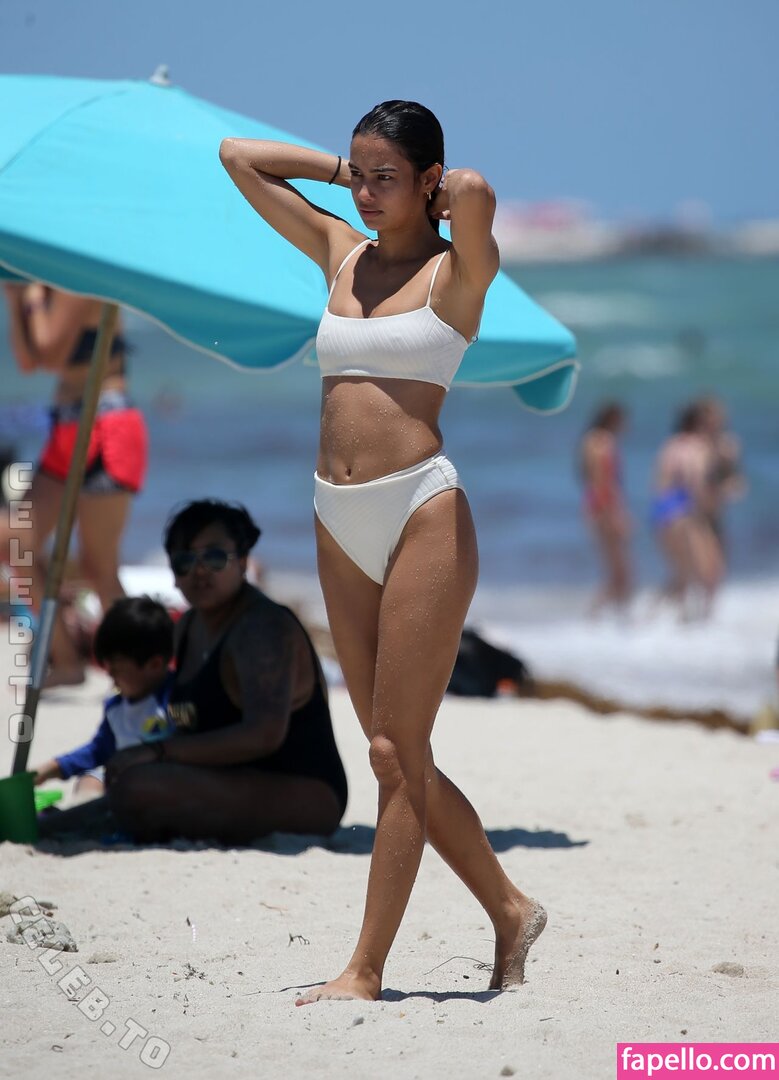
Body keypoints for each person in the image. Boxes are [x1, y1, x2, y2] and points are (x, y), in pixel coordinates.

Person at [220, 99, 546, 1004]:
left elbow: (476, 190)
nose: (365, 193)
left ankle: (364, 969)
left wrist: (437, 191)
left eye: (384, 177)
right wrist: (346, 172)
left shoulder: (458, 272)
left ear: (428, 179)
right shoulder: (340, 251)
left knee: (399, 750)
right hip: (335, 515)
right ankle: (510, 908)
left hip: (420, 513)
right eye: (358, 175)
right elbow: (238, 157)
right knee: (389, 752)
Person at [105, 499, 348, 844]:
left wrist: (160, 752)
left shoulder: (262, 628)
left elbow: (263, 735)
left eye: (215, 557)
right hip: (226, 780)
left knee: (138, 786)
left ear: (244, 562)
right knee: (124, 779)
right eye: (184, 561)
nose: (200, 571)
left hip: (304, 791)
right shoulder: (188, 627)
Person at [1, 283, 148, 686]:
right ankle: (66, 659)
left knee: (99, 566)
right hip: (68, 424)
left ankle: (138, 671)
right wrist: (15, 301)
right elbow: (28, 361)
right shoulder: (46, 287)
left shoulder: (77, 276)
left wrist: (30, 297)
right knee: (15, 541)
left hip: (107, 423)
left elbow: (49, 352)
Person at [33, 596, 175, 800]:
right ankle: (87, 811)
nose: (111, 677)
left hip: (165, 784)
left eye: (117, 670)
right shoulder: (117, 706)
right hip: (124, 784)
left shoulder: (174, 698)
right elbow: (99, 750)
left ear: (154, 665)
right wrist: (51, 769)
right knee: (90, 779)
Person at [650, 402, 724, 619]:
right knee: (710, 571)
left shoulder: (670, 445)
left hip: (664, 512)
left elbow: (659, 484)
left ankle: (653, 616)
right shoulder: (698, 446)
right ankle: (702, 622)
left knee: (681, 573)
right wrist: (707, 507)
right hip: (687, 511)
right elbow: (696, 481)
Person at [579, 402, 632, 613]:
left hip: (594, 504)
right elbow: (604, 481)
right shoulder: (603, 441)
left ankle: (607, 616)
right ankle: (603, 615)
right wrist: (616, 513)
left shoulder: (589, 440)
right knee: (621, 571)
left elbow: (590, 479)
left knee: (616, 569)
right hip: (604, 505)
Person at [697, 395, 746, 552]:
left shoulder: (728, 446)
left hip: (715, 512)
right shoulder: (692, 444)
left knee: (715, 556)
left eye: (716, 416)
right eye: (708, 416)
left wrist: (728, 489)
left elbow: (737, 482)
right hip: (691, 512)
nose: (713, 421)